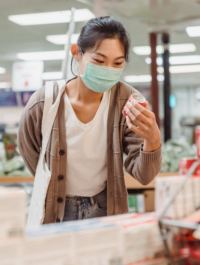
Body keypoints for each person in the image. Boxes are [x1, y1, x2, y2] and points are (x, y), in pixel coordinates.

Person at [18, 16, 162, 224]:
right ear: (77, 53)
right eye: (99, 61)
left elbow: (144, 175)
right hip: (56, 210)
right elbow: (33, 157)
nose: (108, 69)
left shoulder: (127, 103)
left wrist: (153, 140)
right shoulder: (44, 102)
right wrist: (55, 184)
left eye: (117, 63)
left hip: (106, 208)